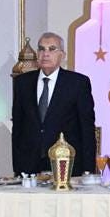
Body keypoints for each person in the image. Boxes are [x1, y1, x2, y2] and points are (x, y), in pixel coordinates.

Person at [12, 32, 96, 176]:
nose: (45, 54)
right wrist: (17, 167)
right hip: (29, 165)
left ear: (62, 55)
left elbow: (86, 128)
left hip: (66, 164)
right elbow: (18, 127)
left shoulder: (78, 83)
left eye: (52, 49)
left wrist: (88, 169)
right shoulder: (23, 83)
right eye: (41, 49)